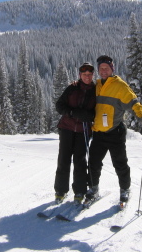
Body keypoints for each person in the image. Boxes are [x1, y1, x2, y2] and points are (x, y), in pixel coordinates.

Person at [86, 55, 142, 203]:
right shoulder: (96, 86)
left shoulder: (120, 86)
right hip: (98, 133)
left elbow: (134, 102)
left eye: (106, 68)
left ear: (112, 69)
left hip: (115, 132)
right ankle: (93, 188)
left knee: (120, 163)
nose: (103, 71)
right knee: (93, 163)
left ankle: (124, 190)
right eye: (101, 68)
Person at [54, 62, 96, 204]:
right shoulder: (72, 88)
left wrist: (89, 116)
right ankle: (60, 190)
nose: (87, 77)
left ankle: (79, 191)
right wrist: (72, 112)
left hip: (83, 130)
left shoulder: (96, 90)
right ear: (80, 75)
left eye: (89, 75)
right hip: (67, 128)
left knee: (80, 161)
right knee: (63, 159)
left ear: (92, 75)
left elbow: (98, 110)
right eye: (84, 74)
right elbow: (59, 106)